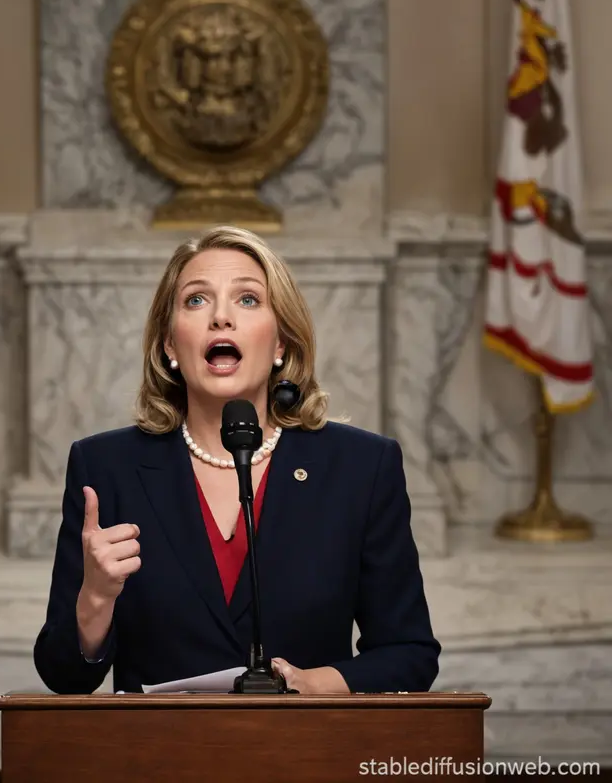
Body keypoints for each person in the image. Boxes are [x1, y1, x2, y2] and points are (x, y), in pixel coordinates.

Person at [33, 226, 440, 695]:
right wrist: (95, 599)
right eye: (196, 300)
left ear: (281, 343)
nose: (221, 318)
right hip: (156, 760)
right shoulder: (105, 467)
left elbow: (410, 653)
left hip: (309, 756)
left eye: (247, 300)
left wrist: (316, 684)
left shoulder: (361, 467)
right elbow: (63, 676)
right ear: (169, 346)